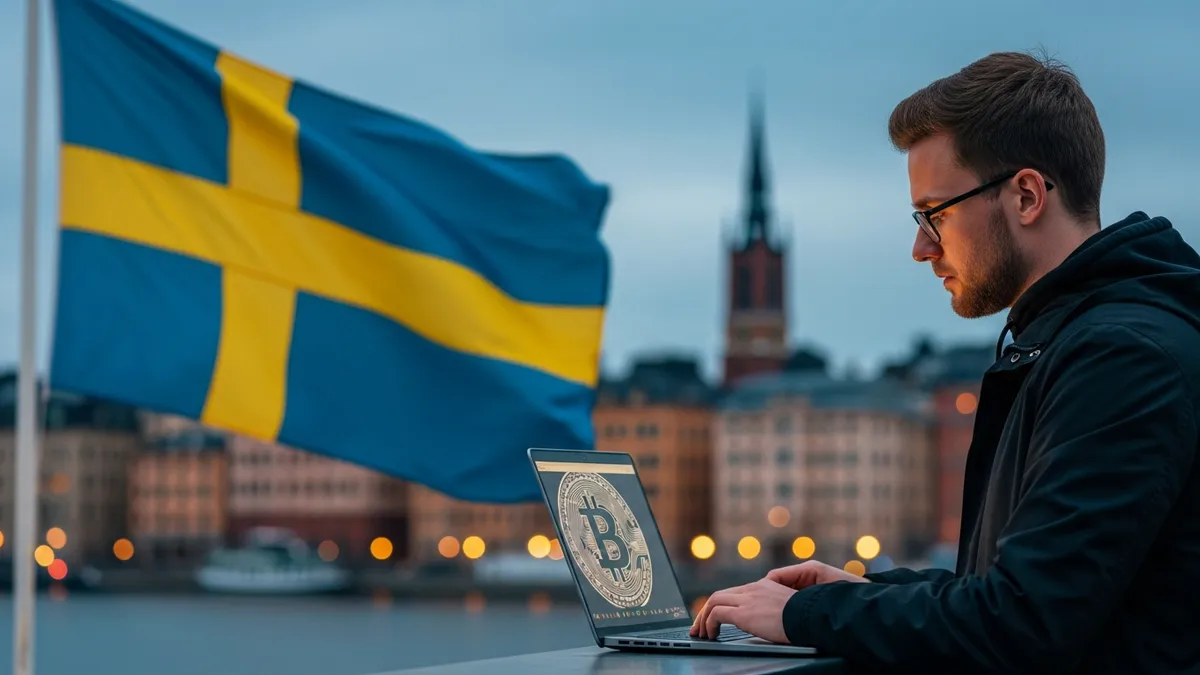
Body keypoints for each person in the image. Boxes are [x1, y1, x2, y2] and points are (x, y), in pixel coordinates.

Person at [690, 50, 1200, 674]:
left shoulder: (1123, 358)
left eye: (935, 214)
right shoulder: (1084, 340)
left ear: (1027, 196)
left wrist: (803, 617)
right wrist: (860, 593)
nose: (920, 247)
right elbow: (1035, 589)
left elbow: (1023, 622)